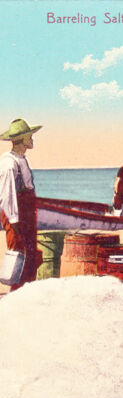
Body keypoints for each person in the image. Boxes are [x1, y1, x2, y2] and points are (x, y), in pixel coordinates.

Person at [0, 118, 43, 291]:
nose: (32, 139)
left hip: (27, 214)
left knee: (31, 255)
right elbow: (7, 196)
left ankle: (26, 291)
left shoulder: (21, 159)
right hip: (16, 217)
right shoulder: (8, 163)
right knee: (19, 255)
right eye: (29, 136)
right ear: (21, 139)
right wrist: (15, 222)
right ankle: (16, 293)